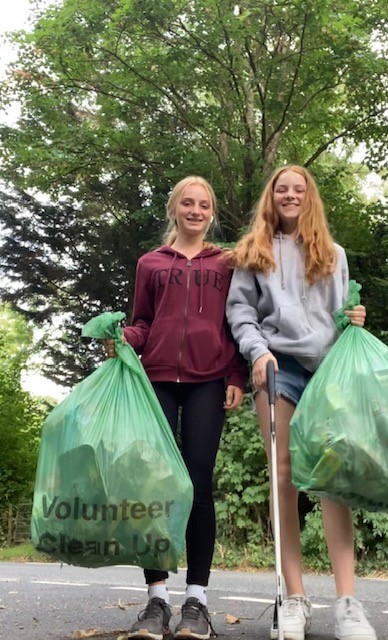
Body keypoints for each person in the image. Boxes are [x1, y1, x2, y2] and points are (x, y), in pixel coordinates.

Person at [225, 165, 377, 640]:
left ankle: (348, 603)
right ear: (271, 197)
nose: (290, 195)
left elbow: (341, 315)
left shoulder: (333, 253)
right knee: (284, 479)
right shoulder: (254, 251)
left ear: (309, 198)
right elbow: (241, 312)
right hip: (277, 367)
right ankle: (294, 597)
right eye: (281, 189)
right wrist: (258, 351)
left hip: (328, 371)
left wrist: (355, 317)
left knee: (333, 482)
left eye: (299, 189)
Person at [104, 176, 248, 640]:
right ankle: (155, 601)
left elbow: (235, 322)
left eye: (203, 204)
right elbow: (144, 322)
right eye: (187, 203)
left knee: (198, 482)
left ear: (212, 212)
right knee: (156, 485)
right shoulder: (151, 263)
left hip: (209, 382)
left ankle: (197, 602)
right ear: (174, 209)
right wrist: (123, 338)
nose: (195, 210)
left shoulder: (227, 262)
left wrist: (236, 376)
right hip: (157, 382)